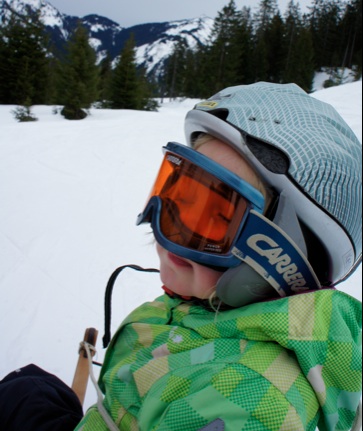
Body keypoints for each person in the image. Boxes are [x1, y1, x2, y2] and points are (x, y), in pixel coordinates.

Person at [1, 82, 361, 431]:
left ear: (281, 259)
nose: (163, 230)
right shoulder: (207, 300)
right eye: (177, 198)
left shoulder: (248, 402)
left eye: (210, 219)